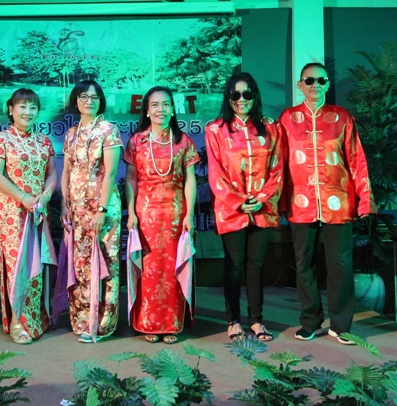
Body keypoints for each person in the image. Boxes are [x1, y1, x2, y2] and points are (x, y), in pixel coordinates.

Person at [279, 62, 376, 345]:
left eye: (321, 81)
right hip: (300, 202)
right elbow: (279, 163)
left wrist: (365, 200)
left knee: (340, 264)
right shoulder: (288, 118)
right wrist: (280, 201)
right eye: (309, 80)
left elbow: (356, 159)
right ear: (300, 85)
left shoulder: (341, 117)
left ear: (327, 84)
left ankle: (341, 325)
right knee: (304, 264)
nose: (315, 85)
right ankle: (310, 321)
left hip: (338, 202)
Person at [206, 72, 285, 342]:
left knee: (257, 265)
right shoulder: (215, 130)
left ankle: (257, 320)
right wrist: (240, 201)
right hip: (231, 209)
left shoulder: (271, 127)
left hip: (262, 207)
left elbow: (277, 168)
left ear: (255, 96)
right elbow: (215, 172)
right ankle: (233, 320)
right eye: (236, 94)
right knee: (234, 264)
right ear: (229, 97)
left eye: (247, 94)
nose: (242, 99)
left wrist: (262, 198)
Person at [125, 86, 199, 344]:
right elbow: (131, 179)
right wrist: (131, 212)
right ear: (146, 110)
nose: (161, 109)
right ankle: (149, 323)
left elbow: (190, 180)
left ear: (173, 109)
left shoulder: (183, 141)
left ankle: (172, 324)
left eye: (166, 104)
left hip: (176, 214)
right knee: (150, 269)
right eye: (155, 105)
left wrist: (189, 214)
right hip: (145, 215)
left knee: (172, 269)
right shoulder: (137, 141)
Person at [0, 89, 57, 344]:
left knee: (38, 262)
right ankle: (17, 321)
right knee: (18, 265)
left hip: (38, 209)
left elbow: (51, 173)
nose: (28, 112)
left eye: (33, 107)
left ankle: (36, 318)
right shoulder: (0, 139)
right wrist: (23, 198)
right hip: (12, 212)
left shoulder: (44, 141)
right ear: (11, 109)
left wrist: (45, 196)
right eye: (22, 107)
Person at [60, 80, 122, 343]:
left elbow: (111, 173)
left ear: (101, 101)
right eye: (84, 97)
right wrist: (64, 204)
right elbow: (66, 171)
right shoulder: (71, 133)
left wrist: (102, 210)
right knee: (81, 264)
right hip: (76, 210)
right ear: (75, 101)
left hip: (103, 209)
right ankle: (82, 319)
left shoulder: (109, 130)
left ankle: (103, 324)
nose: (89, 101)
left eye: (94, 97)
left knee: (106, 263)